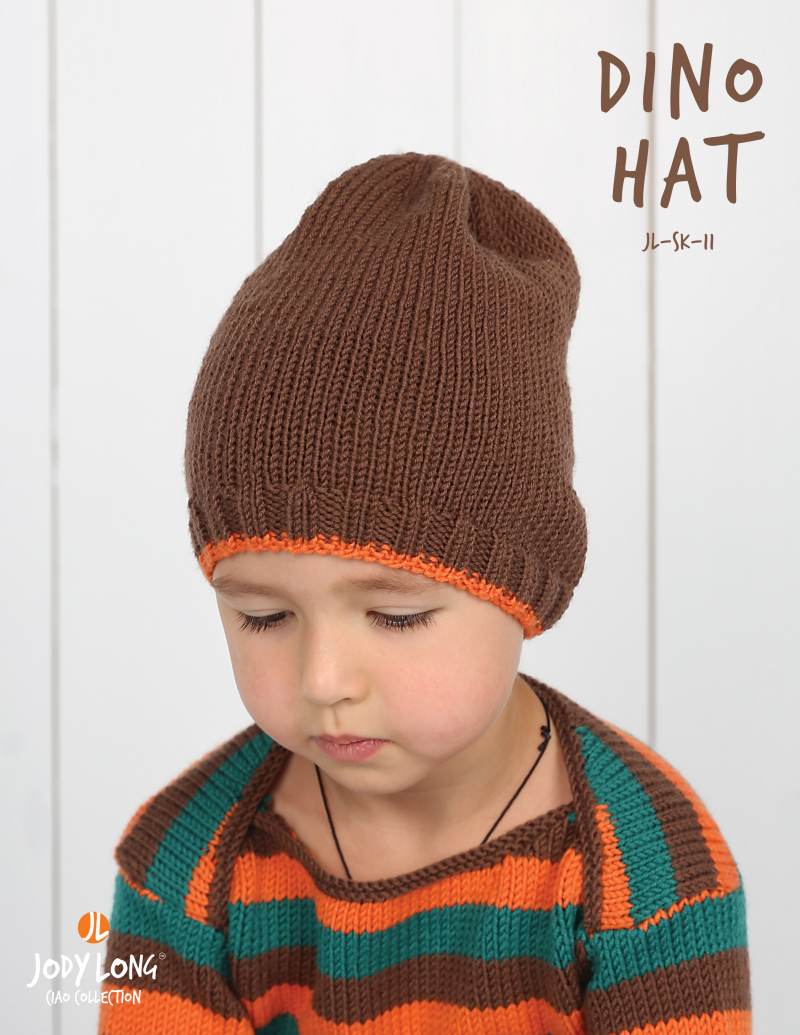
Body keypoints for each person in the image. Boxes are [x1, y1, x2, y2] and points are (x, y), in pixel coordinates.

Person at [97, 152, 751, 1034]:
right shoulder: (183, 870)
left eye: (395, 615)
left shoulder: (648, 878)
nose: (324, 678)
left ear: (525, 590)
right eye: (264, 614)